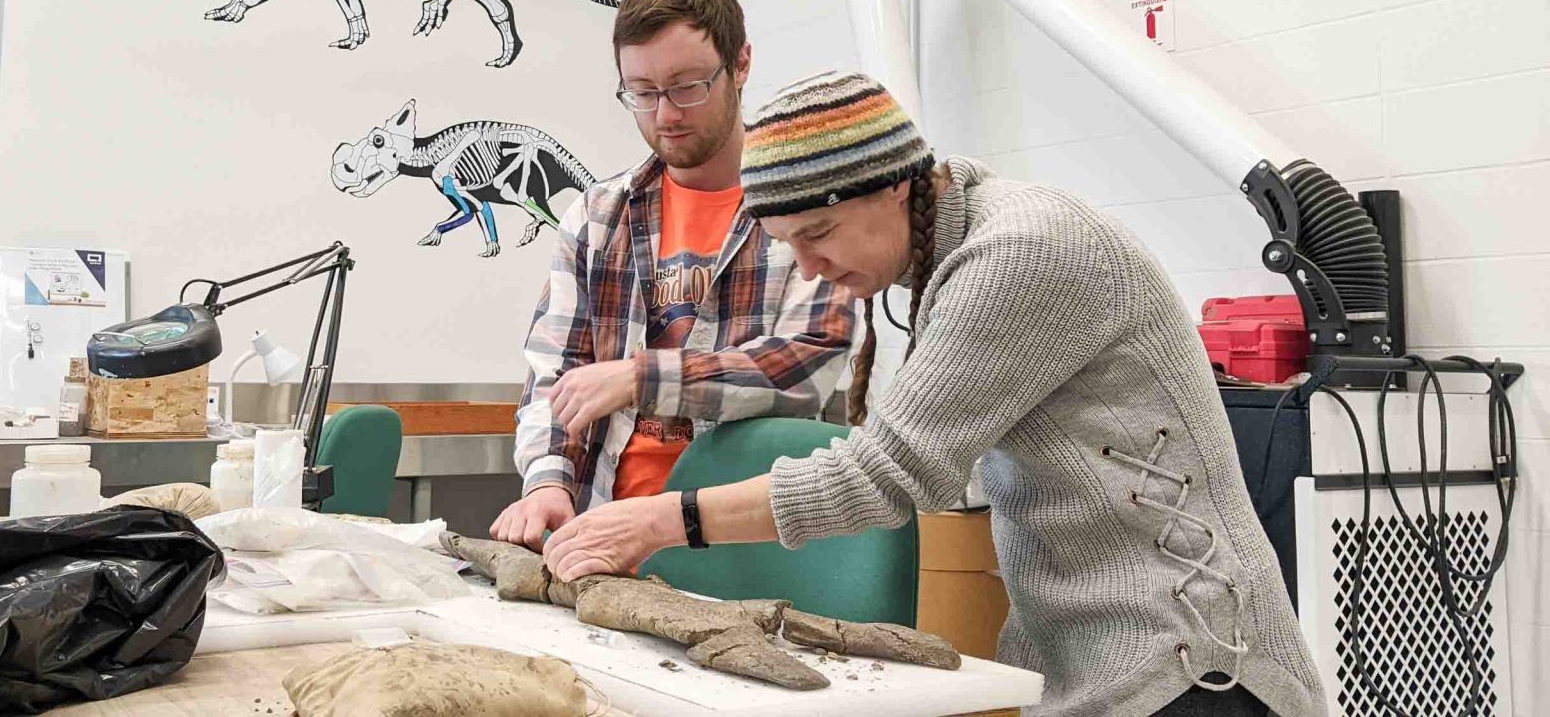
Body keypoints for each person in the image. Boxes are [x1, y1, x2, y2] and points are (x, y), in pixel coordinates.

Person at [542, 71, 1326, 717]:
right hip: (1084, 658)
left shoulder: (1019, 252)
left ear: (891, 186)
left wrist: (665, 520)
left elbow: (884, 477)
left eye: (818, 234)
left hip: (1194, 663)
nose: (808, 269)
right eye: (788, 247)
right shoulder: (950, 248)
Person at [491, 0, 863, 550]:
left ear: (740, 65)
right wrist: (547, 483)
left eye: (688, 86)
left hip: (746, 546)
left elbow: (804, 365)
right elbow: (554, 374)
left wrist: (643, 377)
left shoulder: (806, 206)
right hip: (601, 533)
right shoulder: (598, 216)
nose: (665, 114)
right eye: (641, 92)